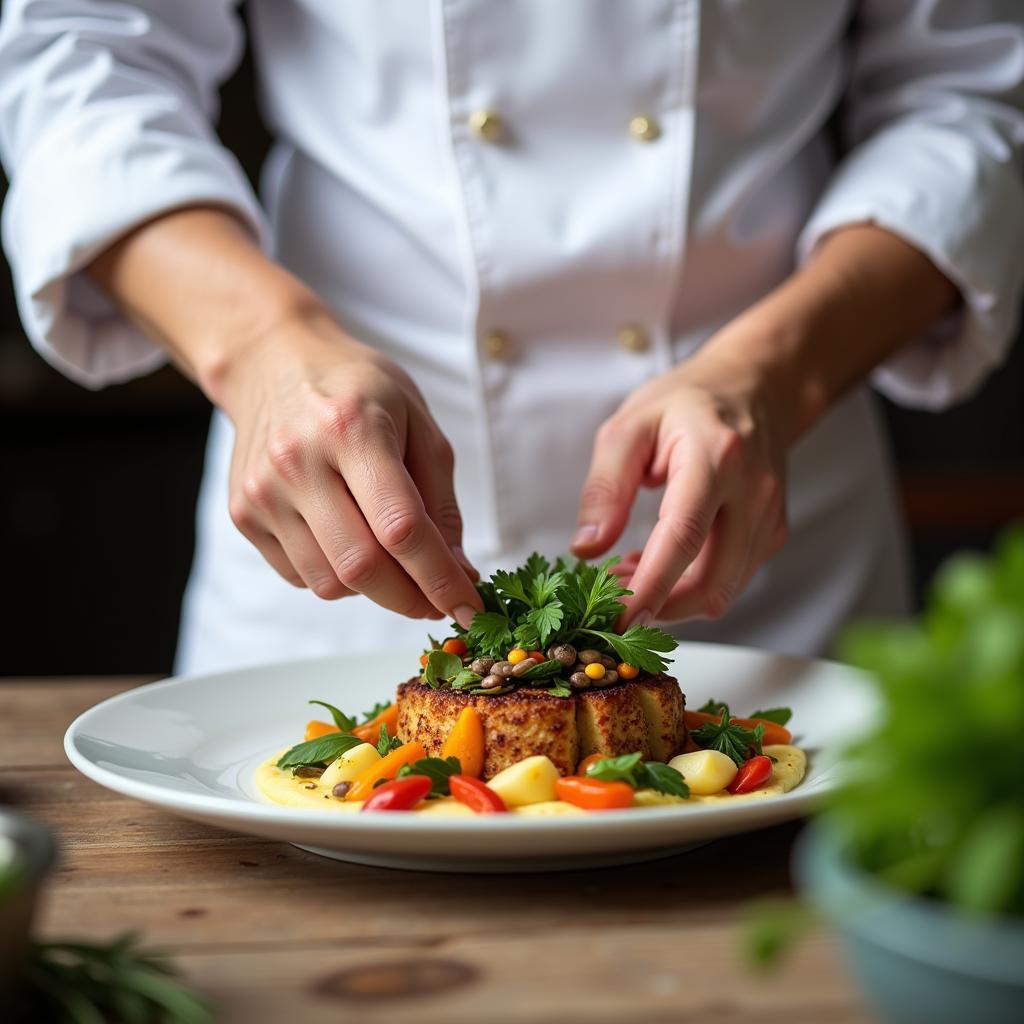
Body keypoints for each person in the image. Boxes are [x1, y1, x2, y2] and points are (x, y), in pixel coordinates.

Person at [1, 1, 1022, 675]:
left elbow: (968, 95)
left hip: (767, 565)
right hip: (327, 557)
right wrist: (265, 351)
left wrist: (773, 374)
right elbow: (83, 53)